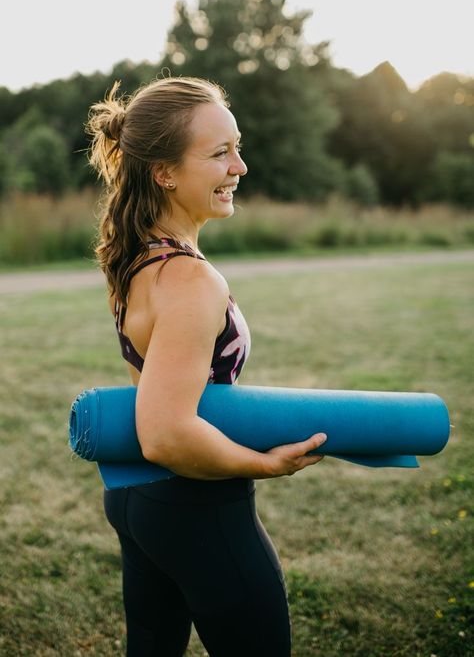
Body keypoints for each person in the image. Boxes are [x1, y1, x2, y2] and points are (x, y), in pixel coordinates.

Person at [86, 75, 327, 657]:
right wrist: (264, 465)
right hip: (195, 505)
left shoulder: (140, 256)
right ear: (165, 172)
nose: (239, 166)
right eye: (220, 153)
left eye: (237, 147)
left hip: (136, 496)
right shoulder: (190, 279)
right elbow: (167, 432)